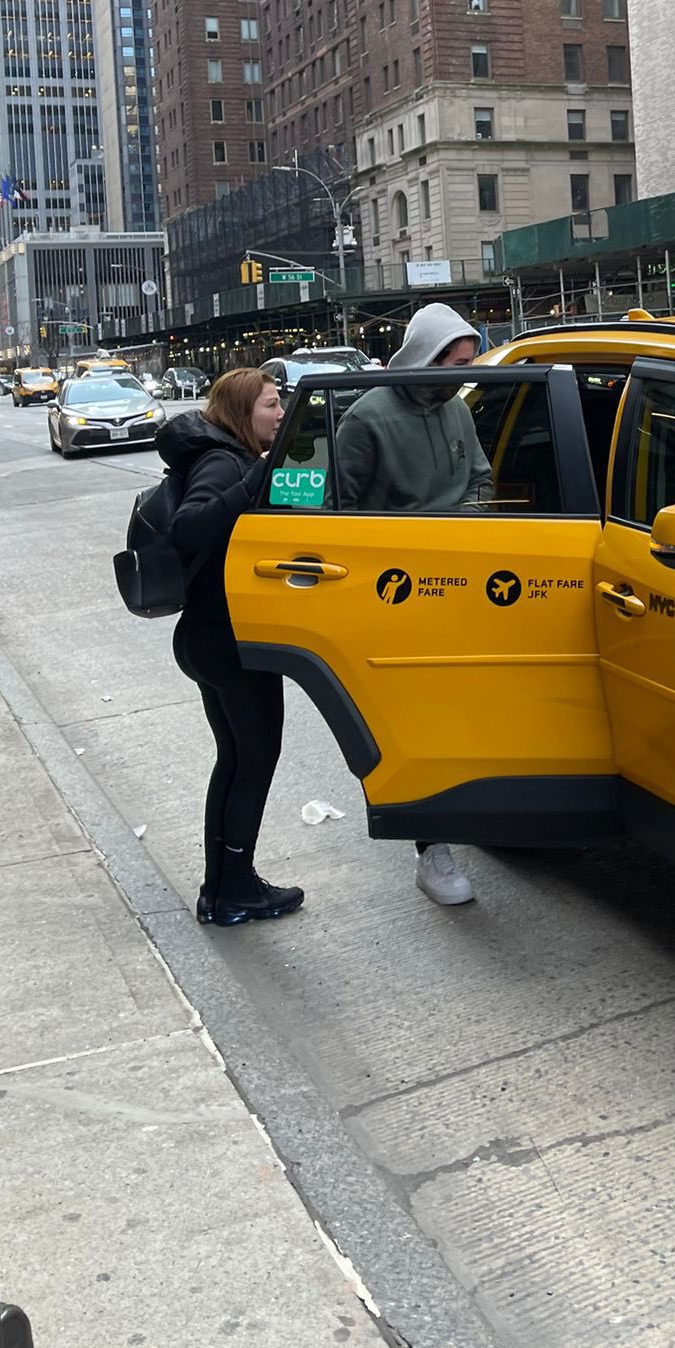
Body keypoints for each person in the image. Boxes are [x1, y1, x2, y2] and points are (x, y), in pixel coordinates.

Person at [335, 303, 492, 907]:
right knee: (419, 722)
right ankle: (433, 849)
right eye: (456, 362)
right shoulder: (366, 418)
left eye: (469, 362)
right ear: (427, 357)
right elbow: (348, 515)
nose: (465, 374)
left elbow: (481, 476)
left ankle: (472, 815)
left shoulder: (456, 407)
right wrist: (423, 536)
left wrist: (469, 521)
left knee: (465, 711)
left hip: (467, 581)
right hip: (401, 592)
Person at [158, 368, 304, 928]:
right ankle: (232, 888)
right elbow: (189, 528)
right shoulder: (224, 461)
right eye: (272, 404)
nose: (280, 412)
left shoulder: (234, 457)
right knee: (255, 759)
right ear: (245, 411)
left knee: (239, 759)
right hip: (229, 640)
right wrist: (254, 481)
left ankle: (223, 888)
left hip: (215, 636)